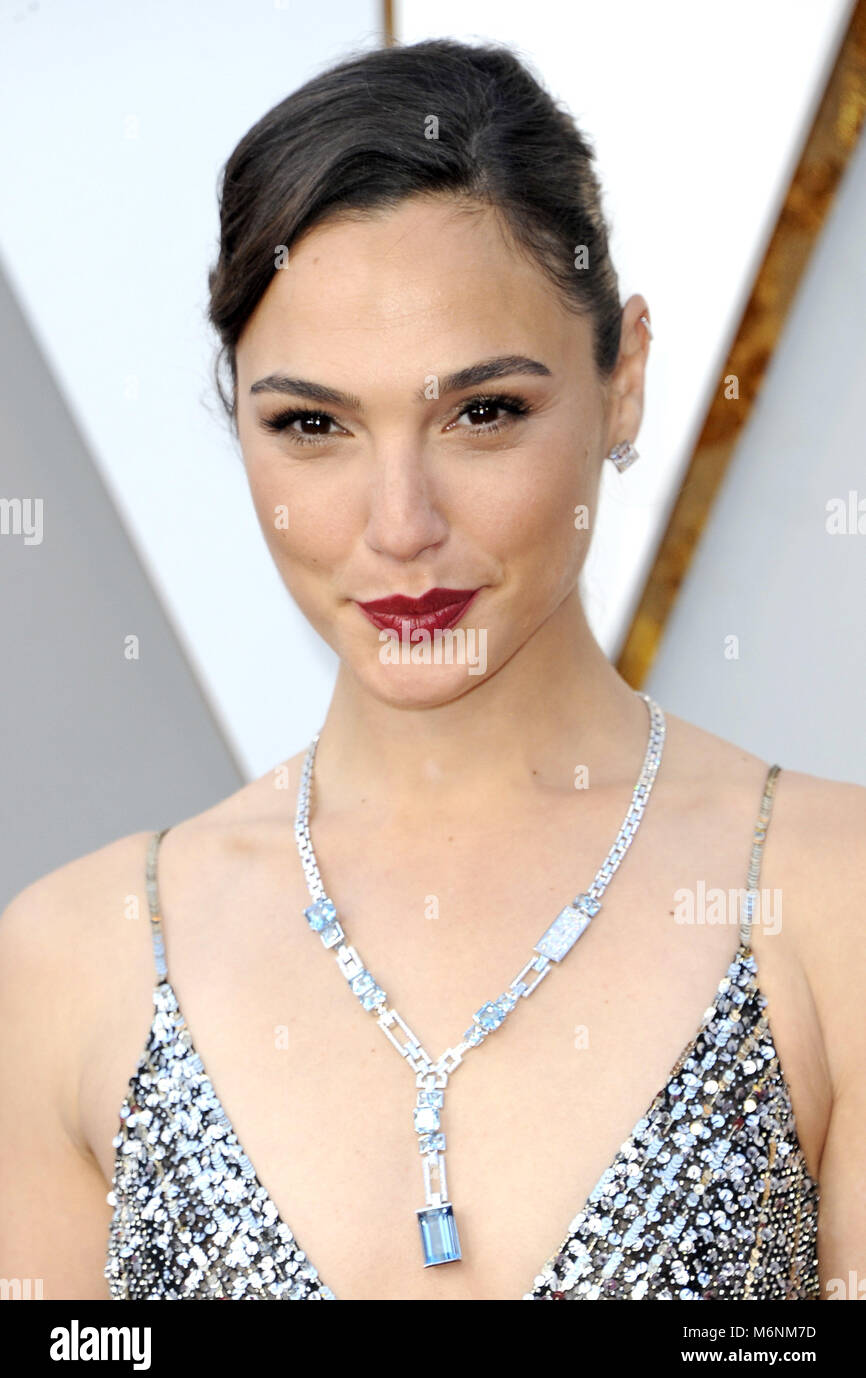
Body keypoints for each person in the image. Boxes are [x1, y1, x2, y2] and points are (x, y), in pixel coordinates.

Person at [1, 37, 863, 1303]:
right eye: (312, 426)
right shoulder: (75, 957)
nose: (399, 524)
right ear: (232, 414)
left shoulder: (826, 900)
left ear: (621, 380)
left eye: (481, 412)